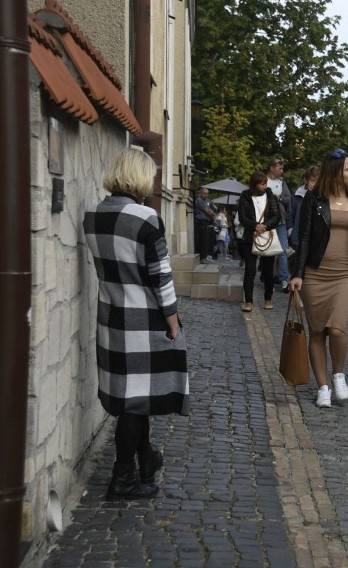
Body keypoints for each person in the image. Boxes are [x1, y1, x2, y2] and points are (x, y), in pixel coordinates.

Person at [82, 148, 190, 500]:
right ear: (141, 177)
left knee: (133, 398)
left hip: (110, 316)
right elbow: (160, 275)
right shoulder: (146, 218)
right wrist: (172, 319)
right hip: (143, 318)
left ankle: (145, 459)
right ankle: (122, 478)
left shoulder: (93, 216)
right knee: (135, 402)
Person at [290, 149, 348, 408]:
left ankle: (339, 375)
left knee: (336, 329)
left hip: (345, 274)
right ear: (335, 173)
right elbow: (303, 238)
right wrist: (297, 274)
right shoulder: (314, 199)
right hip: (315, 274)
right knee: (316, 332)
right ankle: (323, 387)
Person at [237, 171, 281, 312]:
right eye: (262, 184)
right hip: (250, 236)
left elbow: (276, 216)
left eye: (265, 183)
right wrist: (255, 225)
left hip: (267, 236)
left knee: (268, 272)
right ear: (254, 185)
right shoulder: (245, 197)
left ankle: (268, 299)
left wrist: (264, 226)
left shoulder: (271, 197)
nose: (264, 186)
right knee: (250, 270)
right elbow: (242, 217)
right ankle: (248, 301)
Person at [289, 165, 319, 272]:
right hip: (298, 234)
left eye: (316, 181)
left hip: (314, 236)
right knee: (298, 263)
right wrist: (291, 230)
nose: (314, 183)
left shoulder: (321, 196)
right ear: (306, 180)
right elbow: (291, 213)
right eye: (312, 180)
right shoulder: (298, 194)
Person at [267, 158, 292, 290]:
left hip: (281, 221)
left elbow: (289, 198)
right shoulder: (263, 181)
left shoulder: (282, 183)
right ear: (272, 168)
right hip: (266, 222)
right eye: (280, 168)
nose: (282, 171)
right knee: (268, 251)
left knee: (282, 251)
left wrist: (280, 198)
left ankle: (283, 279)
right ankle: (268, 277)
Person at [194, 187, 215, 263]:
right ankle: (202, 258)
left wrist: (211, 212)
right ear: (201, 193)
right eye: (205, 193)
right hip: (201, 222)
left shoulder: (205, 201)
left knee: (206, 241)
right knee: (202, 241)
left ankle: (204, 257)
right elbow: (208, 212)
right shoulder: (199, 200)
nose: (206, 195)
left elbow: (211, 210)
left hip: (205, 222)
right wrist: (211, 212)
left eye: (207, 194)